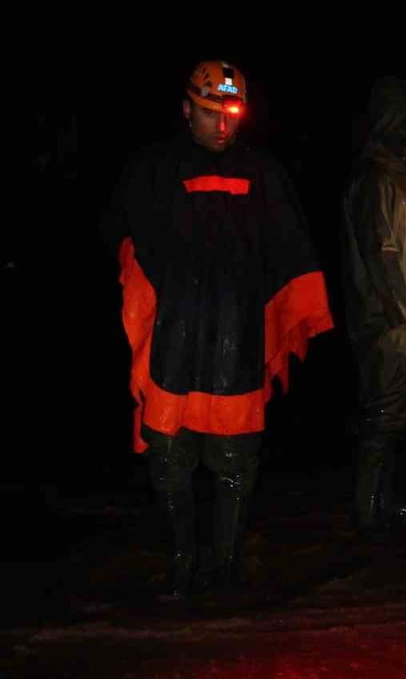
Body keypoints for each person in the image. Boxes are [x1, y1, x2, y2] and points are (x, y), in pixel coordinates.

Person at [104, 60, 334, 600]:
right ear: (187, 110)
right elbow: (121, 239)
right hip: (172, 341)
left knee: (235, 462)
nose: (223, 126)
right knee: (170, 457)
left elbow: (292, 248)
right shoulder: (153, 167)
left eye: (232, 114)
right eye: (211, 114)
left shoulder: (263, 172)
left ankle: (227, 566)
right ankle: (184, 560)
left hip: (237, 343)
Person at [340, 76, 406, 538]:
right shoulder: (377, 180)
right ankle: (368, 512)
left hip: (401, 321)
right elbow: (385, 261)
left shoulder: (392, 176)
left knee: (392, 419)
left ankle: (382, 503)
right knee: (381, 418)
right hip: (389, 325)